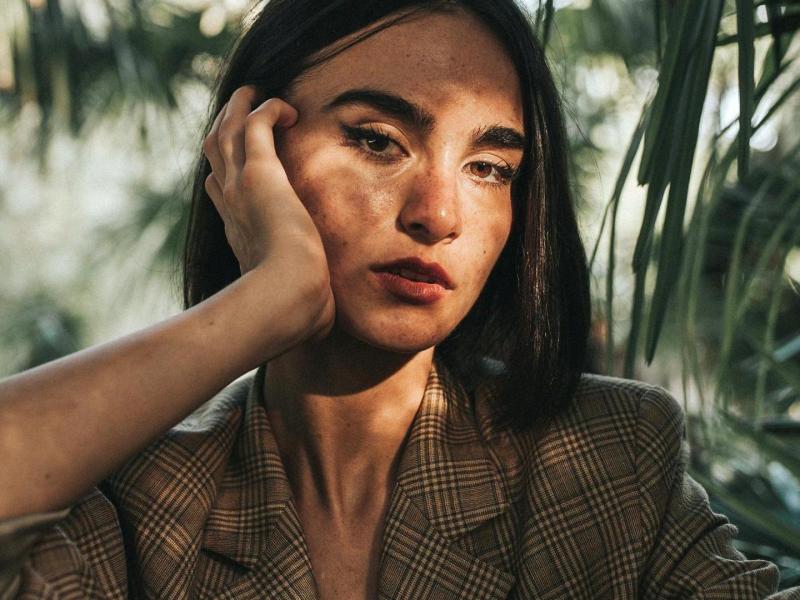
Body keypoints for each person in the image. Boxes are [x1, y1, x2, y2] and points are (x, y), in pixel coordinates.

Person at [0, 0, 797, 598]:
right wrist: (269, 298)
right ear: (248, 154)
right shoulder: (133, 499)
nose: (438, 215)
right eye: (378, 140)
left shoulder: (608, 463)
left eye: (489, 167)